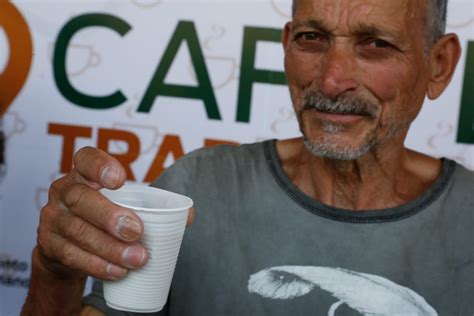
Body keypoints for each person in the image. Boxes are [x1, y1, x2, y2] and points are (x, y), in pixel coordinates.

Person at [22, 0, 473, 315]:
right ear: (286, 44)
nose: (332, 80)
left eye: (375, 44)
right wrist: (54, 274)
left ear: (439, 65)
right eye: (312, 38)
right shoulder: (199, 189)